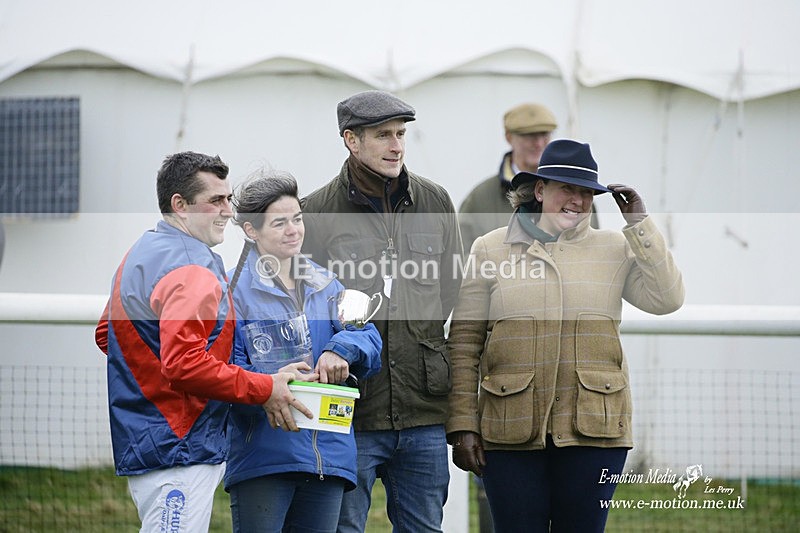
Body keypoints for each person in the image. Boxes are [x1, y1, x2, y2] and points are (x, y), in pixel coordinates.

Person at [445, 139, 685, 532]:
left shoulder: (615, 247)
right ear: (540, 190)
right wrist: (463, 424)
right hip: (509, 432)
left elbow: (667, 298)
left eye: (586, 193)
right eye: (566, 189)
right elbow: (464, 343)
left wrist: (639, 224)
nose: (576, 201)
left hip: (595, 433)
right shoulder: (490, 250)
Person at [95, 151, 313, 533]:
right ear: (179, 204)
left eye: (228, 199)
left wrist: (154, 380)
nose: (229, 211)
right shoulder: (192, 264)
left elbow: (107, 335)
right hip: (180, 445)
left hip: (152, 437)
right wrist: (265, 386)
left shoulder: (141, 252)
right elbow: (184, 364)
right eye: (216, 201)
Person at [301, 90, 463, 533]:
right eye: (383, 135)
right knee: (342, 528)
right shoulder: (314, 212)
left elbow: (451, 292)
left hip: (423, 410)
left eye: (401, 134)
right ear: (351, 140)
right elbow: (303, 309)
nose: (397, 146)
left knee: (424, 528)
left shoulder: (435, 201)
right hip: (350, 408)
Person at [223, 169, 382, 532]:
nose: (293, 230)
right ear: (251, 231)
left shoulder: (328, 284)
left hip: (328, 459)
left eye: (297, 219)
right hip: (264, 459)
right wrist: (269, 383)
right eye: (279, 223)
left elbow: (368, 337)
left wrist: (341, 349)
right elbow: (223, 369)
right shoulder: (230, 292)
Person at [458, 103, 598, 254]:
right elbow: (461, 260)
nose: (538, 143)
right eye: (529, 136)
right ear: (508, 137)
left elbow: (593, 251)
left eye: (544, 134)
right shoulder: (480, 198)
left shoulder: (577, 196)